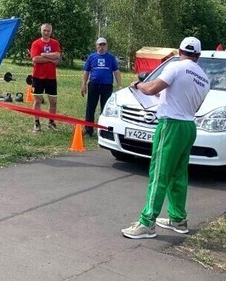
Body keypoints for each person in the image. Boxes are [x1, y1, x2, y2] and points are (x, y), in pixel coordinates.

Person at [121, 37, 210, 240]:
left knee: (159, 173)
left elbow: (152, 88)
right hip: (188, 126)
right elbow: (193, 105)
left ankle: (147, 222)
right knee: (179, 174)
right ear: (198, 55)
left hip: (170, 125)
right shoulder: (204, 78)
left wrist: (138, 85)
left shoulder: (176, 67)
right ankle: (178, 218)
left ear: (179, 51)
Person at [81, 37, 122, 137]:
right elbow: (86, 71)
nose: (101, 47)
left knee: (106, 109)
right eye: (100, 45)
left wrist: (119, 85)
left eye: (103, 45)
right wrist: (83, 84)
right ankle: (88, 130)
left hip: (107, 86)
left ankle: (103, 130)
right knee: (90, 108)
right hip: (94, 85)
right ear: (96, 46)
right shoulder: (91, 57)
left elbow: (116, 72)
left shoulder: (111, 58)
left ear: (106, 46)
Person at [30, 23, 61, 132]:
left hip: (51, 77)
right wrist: (51, 59)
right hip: (37, 77)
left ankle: (51, 122)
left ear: (51, 31)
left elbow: (58, 56)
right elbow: (35, 59)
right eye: (44, 30)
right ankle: (37, 123)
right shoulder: (36, 43)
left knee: (53, 101)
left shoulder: (55, 43)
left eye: (48, 30)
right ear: (41, 31)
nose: (46, 32)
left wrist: (43, 54)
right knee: (37, 100)